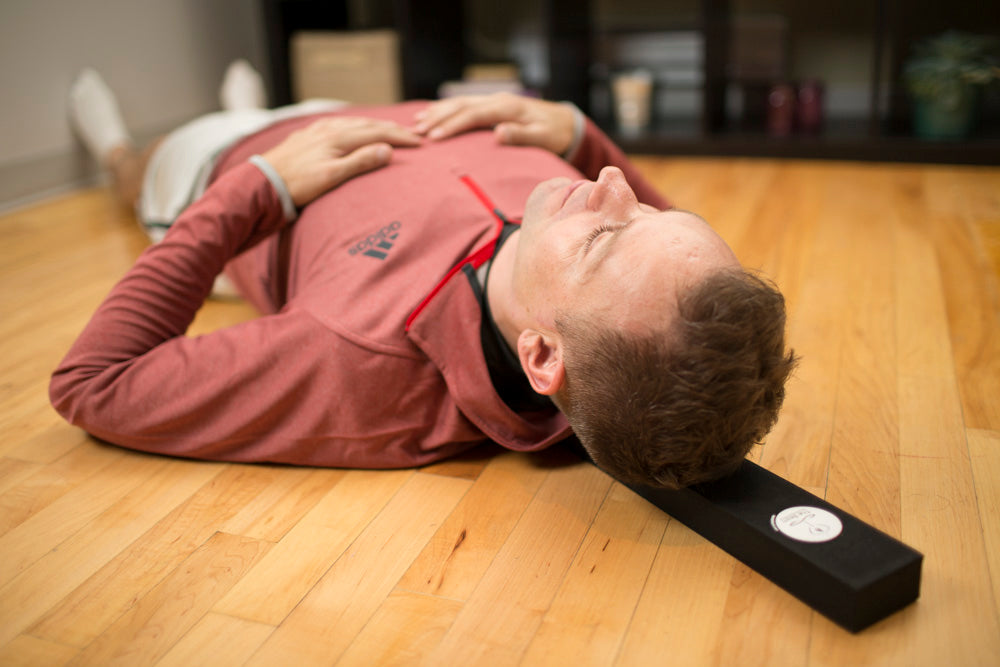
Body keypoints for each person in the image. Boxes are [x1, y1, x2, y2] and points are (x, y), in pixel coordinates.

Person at [50, 61, 796, 489]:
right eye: (652, 210)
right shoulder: (600, 278)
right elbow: (648, 239)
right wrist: (577, 129)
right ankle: (255, 104)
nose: (608, 180)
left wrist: (261, 182)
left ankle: (117, 145)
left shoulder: (355, 354)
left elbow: (93, 381)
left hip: (229, 157)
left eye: (603, 237)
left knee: (146, 169)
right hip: (358, 111)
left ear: (540, 354)